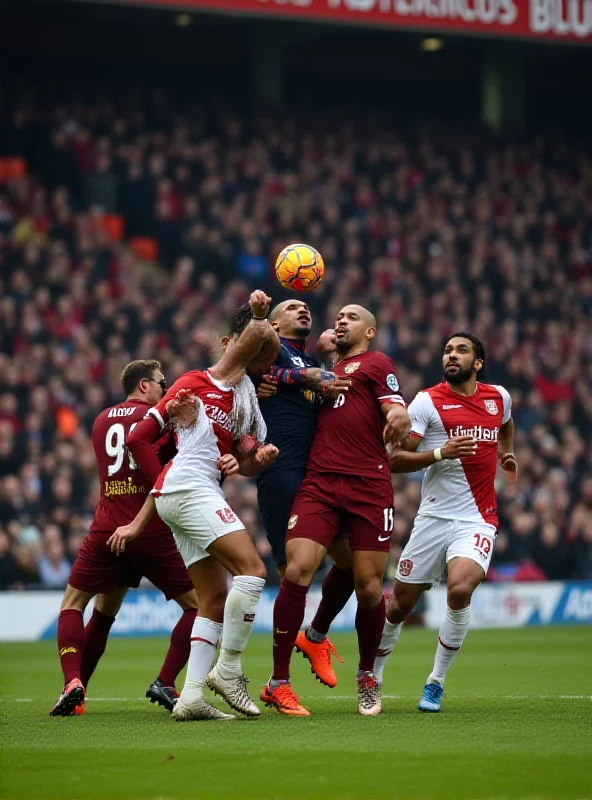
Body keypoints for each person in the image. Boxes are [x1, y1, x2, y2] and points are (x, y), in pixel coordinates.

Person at [108, 291, 281, 721]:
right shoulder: (199, 382)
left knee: (214, 597)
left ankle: (189, 699)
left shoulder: (245, 398)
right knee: (254, 571)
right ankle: (228, 671)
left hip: (196, 490)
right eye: (251, 343)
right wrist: (260, 317)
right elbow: (137, 440)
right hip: (187, 489)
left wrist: (251, 460)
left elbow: (244, 461)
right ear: (232, 344)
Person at [261, 304, 411, 717]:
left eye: (352, 317)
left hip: (369, 486)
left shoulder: (377, 363)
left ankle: (367, 677)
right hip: (320, 483)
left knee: (367, 585)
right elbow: (271, 370)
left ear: (370, 331)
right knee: (297, 570)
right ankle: (278, 680)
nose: (341, 320)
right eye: (338, 317)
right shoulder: (318, 371)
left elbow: (394, 404)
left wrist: (398, 415)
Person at [373, 332, 518, 713]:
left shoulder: (498, 397)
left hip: (477, 519)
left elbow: (505, 424)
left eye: (461, 350)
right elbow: (396, 460)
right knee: (398, 607)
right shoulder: (426, 401)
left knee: (459, 590)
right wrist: (439, 452)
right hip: (433, 518)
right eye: (448, 350)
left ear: (478, 362)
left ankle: (435, 682)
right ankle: (374, 674)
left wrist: (507, 453)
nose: (451, 355)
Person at [50, 360, 199, 717]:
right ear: (144, 385)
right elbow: (166, 473)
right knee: (201, 606)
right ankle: (165, 680)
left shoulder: (101, 421)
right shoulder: (158, 422)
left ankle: (73, 684)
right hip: (149, 529)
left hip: (106, 529)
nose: (166, 390)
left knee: (76, 605)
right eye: (162, 383)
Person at [255, 299, 355, 689]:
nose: (304, 309)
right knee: (295, 577)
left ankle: (314, 637)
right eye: (293, 306)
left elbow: (321, 393)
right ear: (275, 325)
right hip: (281, 471)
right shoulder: (270, 349)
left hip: (318, 475)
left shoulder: (303, 359)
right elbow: (242, 364)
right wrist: (293, 376)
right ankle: (279, 682)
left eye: (307, 306)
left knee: (353, 565)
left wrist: (323, 362)